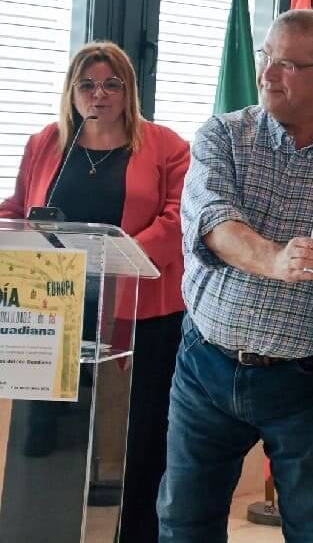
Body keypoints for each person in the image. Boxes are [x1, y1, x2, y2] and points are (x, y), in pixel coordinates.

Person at [159, 9, 313, 543]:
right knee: (184, 522)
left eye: (286, 64)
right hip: (206, 367)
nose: (266, 75)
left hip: (309, 383)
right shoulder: (223, 136)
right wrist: (275, 260)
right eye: (266, 58)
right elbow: (213, 220)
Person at [0, 41, 189, 543]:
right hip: (53, 316)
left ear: (129, 91)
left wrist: (110, 258)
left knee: (138, 442)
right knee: (49, 439)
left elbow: (178, 221)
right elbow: (19, 208)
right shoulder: (46, 142)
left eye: (111, 84)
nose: (98, 95)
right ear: (72, 91)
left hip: (140, 319)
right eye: (87, 84)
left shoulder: (166, 146)